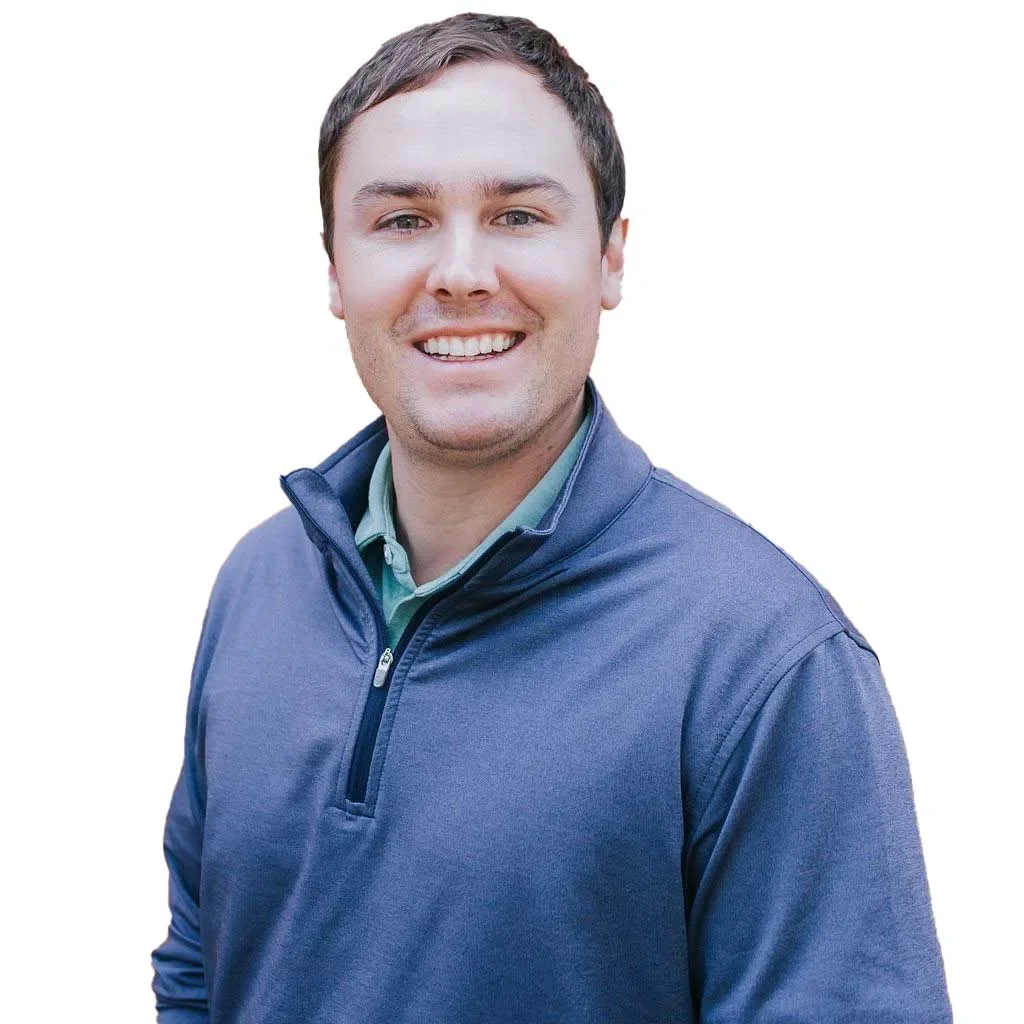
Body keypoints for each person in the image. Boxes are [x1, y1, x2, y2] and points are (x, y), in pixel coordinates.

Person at [151, 13, 953, 1023]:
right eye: (402, 220)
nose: (459, 272)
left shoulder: (766, 660)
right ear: (334, 268)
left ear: (610, 257)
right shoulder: (258, 586)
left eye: (518, 215)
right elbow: (201, 971)